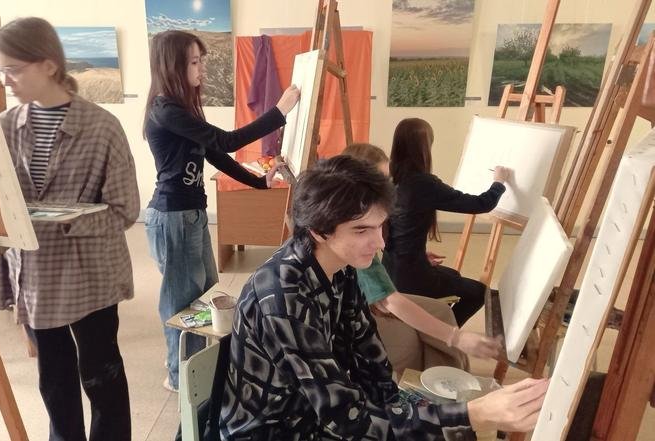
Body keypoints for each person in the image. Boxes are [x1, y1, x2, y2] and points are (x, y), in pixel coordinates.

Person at [220, 155, 547, 440]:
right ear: (319, 231)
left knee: (441, 425)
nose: (379, 243)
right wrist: (474, 415)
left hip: (313, 416)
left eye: (380, 226)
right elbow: (346, 420)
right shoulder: (283, 295)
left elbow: (371, 360)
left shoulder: (341, 267)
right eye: (361, 230)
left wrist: (417, 409)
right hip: (277, 430)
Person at [0, 17, 139, 441]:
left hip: (89, 275)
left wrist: (69, 218)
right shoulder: (2, 127)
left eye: (13, 69)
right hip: (34, 276)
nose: (4, 80)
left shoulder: (101, 127)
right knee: (54, 382)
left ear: (49, 65)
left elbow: (126, 210)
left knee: (102, 376)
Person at [143, 30, 300, 391]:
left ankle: (198, 364)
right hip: (172, 217)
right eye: (194, 62)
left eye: (201, 61)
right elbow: (227, 141)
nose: (201, 69)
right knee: (181, 302)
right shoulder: (165, 110)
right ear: (172, 66)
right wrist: (278, 112)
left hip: (191, 215)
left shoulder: (181, 110)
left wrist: (259, 183)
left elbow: (217, 155)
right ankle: (179, 377)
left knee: (204, 295)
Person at [343, 143, 501, 376]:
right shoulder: (349, 227)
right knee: (419, 341)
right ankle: (442, 384)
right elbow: (389, 301)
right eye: (380, 182)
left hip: (375, 292)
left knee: (442, 311)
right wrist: (456, 338)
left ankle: (450, 380)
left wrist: (417, 254)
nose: (388, 189)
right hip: (356, 313)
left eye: (388, 180)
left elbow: (385, 249)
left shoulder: (365, 212)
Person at [383, 118, 510, 326]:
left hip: (390, 270)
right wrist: (499, 182)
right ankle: (443, 334)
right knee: (479, 292)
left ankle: (430, 323)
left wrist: (419, 254)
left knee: (453, 275)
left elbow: (395, 232)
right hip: (411, 276)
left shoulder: (390, 180)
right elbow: (480, 204)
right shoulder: (423, 184)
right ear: (424, 149)